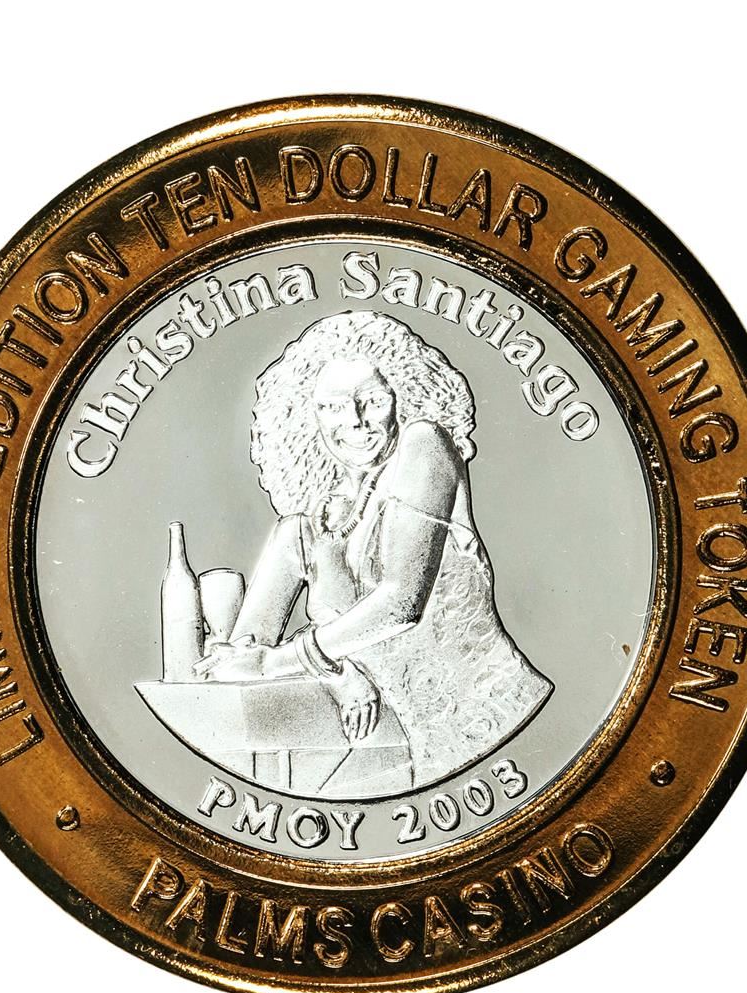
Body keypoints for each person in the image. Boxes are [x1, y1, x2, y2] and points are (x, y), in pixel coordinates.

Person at [193, 311, 552, 784]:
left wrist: (276, 662)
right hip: (416, 760)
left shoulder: (425, 447)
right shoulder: (306, 530)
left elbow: (401, 603)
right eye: (333, 407)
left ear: (404, 396)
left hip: (506, 731)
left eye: (373, 400)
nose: (357, 421)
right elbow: (245, 651)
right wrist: (339, 674)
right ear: (304, 416)